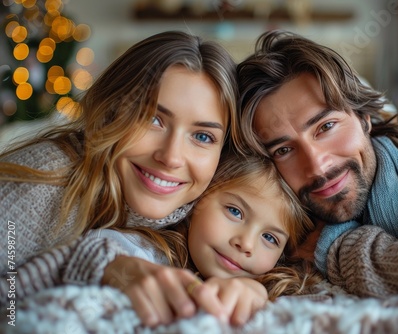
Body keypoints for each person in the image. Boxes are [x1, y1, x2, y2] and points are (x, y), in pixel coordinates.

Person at [0, 31, 263, 326]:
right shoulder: (43, 182)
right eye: (152, 119)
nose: (172, 157)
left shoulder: (207, 204)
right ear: (110, 112)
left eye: (202, 136)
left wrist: (254, 288)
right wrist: (103, 265)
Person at [237, 30, 398, 297]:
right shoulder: (282, 226)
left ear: (364, 116)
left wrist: (335, 250)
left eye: (326, 126)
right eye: (283, 150)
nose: (317, 167)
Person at [90, 151, 320, 302]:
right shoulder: (144, 251)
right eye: (235, 212)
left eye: (270, 238)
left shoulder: (280, 292)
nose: (245, 244)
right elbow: (96, 252)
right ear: (199, 199)